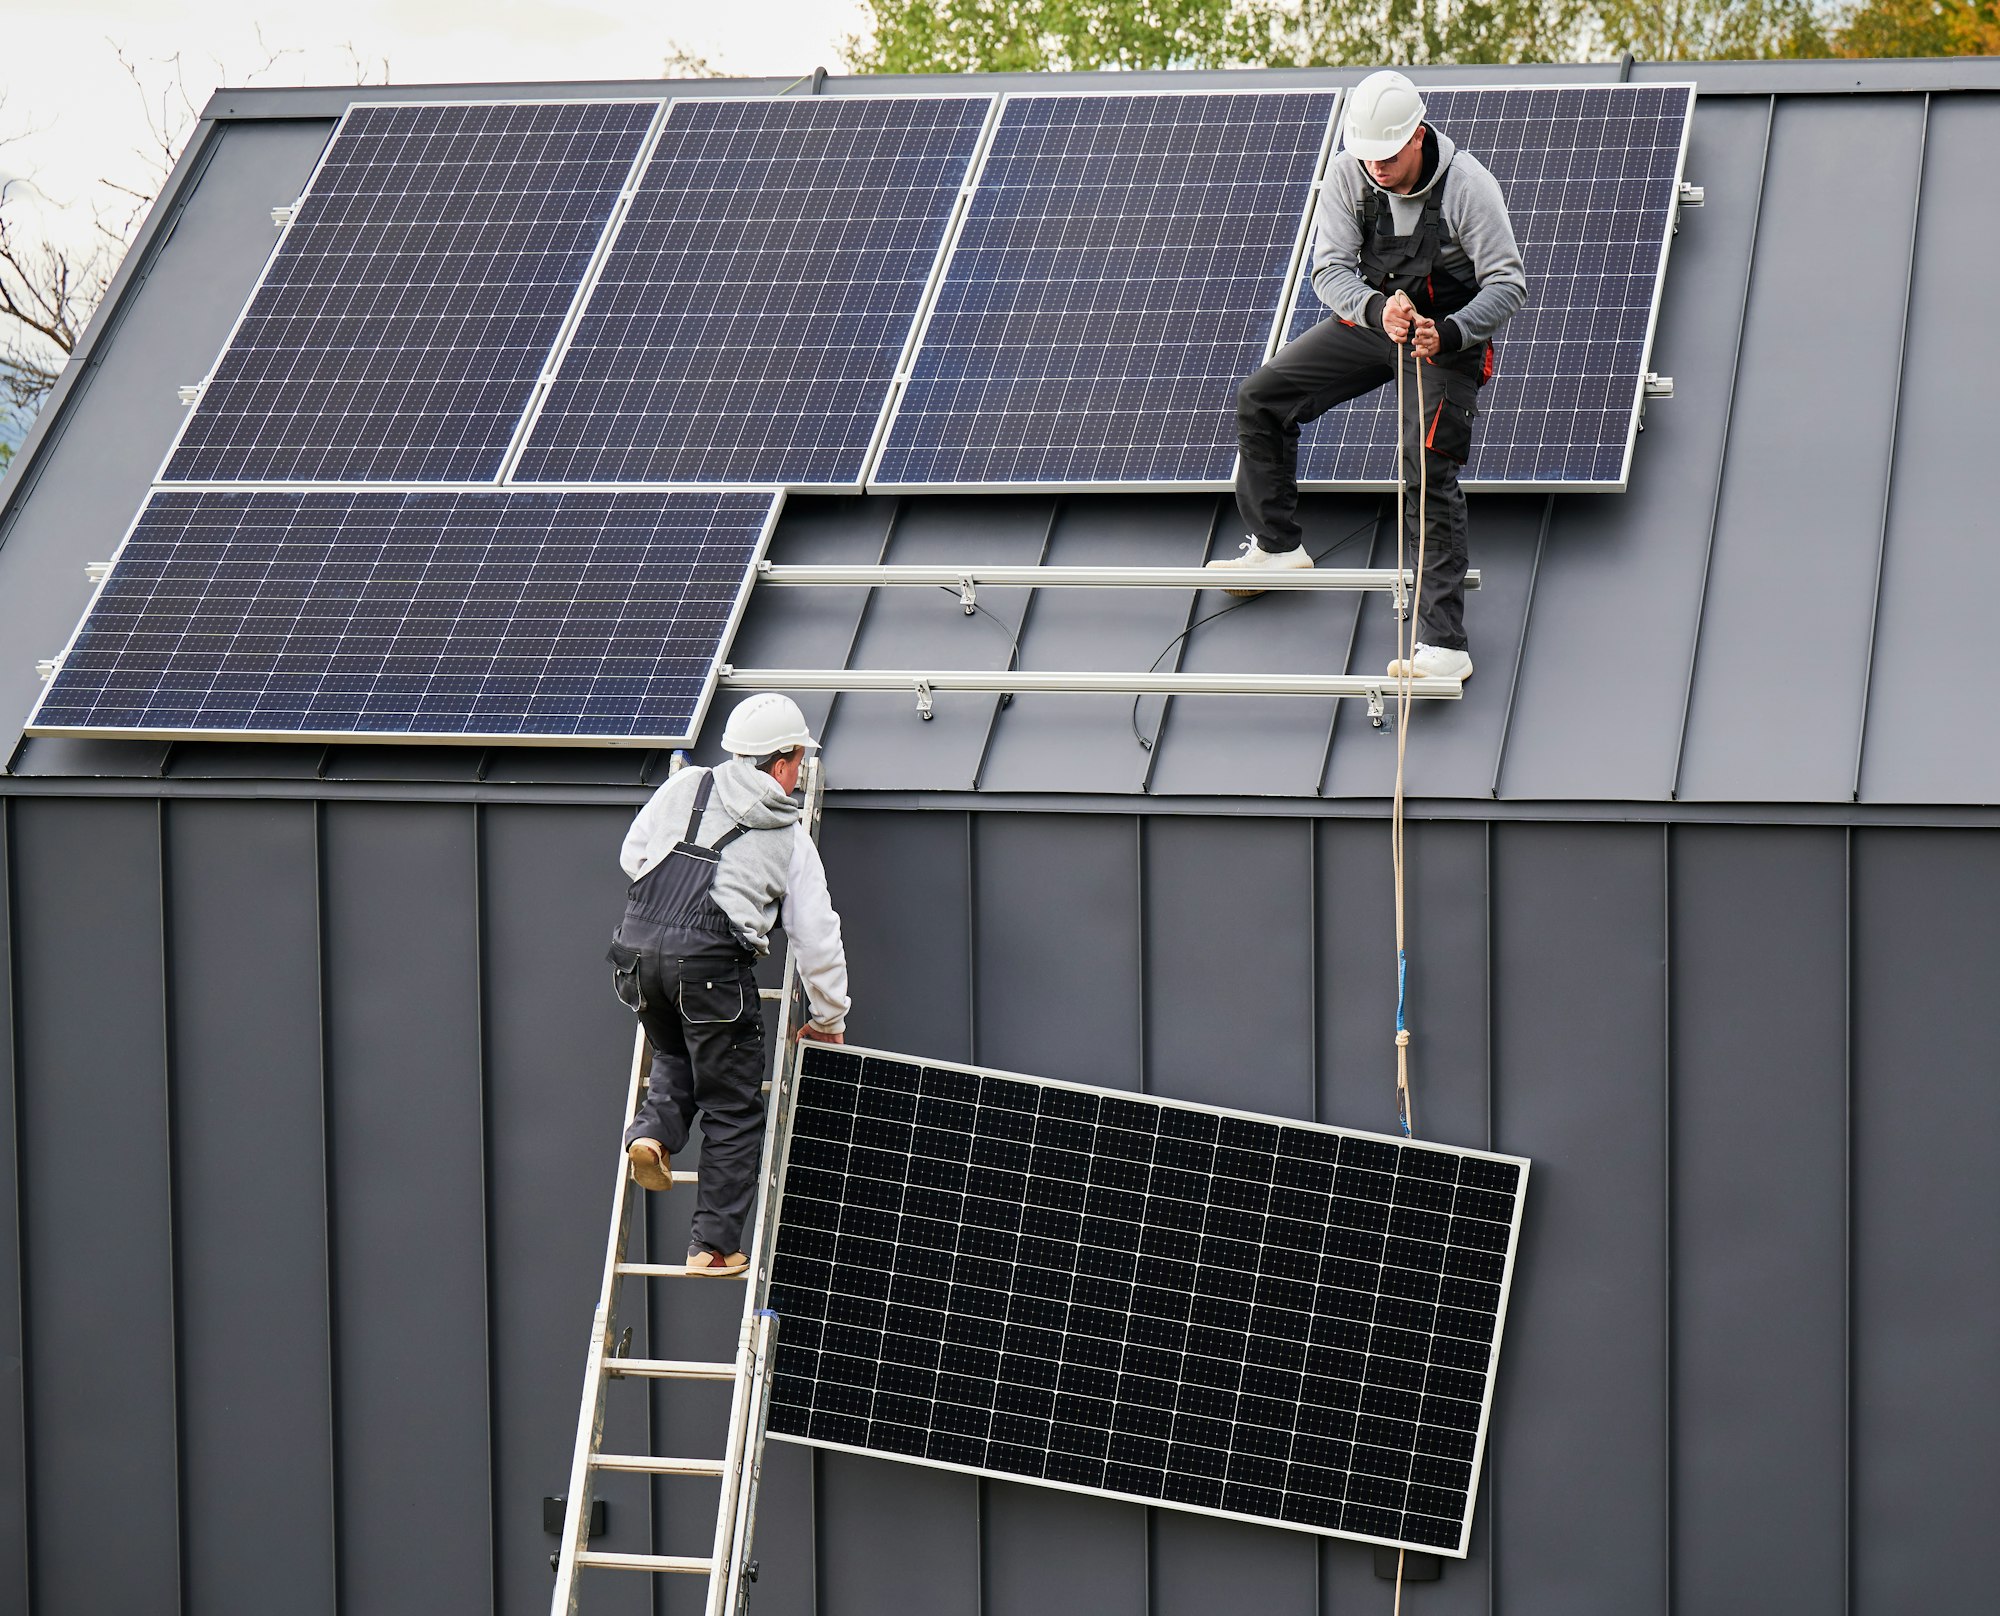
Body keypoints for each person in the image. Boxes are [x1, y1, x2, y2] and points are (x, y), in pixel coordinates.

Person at [1210, 70, 1528, 682]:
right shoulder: (1348, 172)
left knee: (1424, 468)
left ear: (1416, 136)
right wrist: (1377, 308)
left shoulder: (1467, 186)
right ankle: (1278, 548)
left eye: (1387, 155)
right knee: (1261, 397)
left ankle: (1442, 647)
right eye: (1367, 156)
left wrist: (1452, 331)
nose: (1376, 167)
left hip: (1447, 337)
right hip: (1376, 318)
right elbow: (1327, 269)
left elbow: (1508, 283)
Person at [606, 693, 849, 1276]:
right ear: (785, 760)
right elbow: (816, 937)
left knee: (675, 1050)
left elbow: (633, 855)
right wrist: (828, 1018)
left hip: (636, 956)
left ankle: (654, 1136)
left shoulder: (682, 787)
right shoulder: (790, 836)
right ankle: (712, 1249)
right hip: (711, 969)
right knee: (734, 1105)